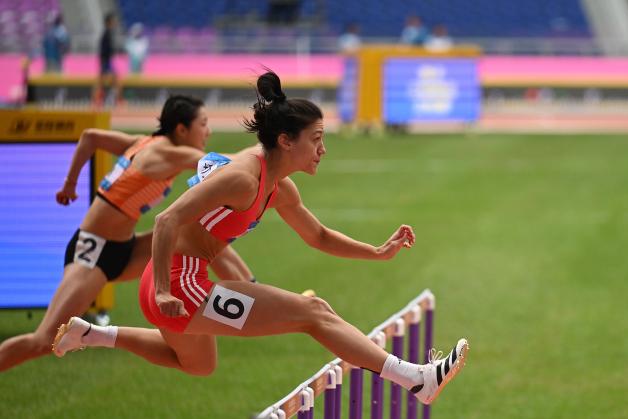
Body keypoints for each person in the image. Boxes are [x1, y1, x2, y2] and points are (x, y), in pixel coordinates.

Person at [53, 71, 468, 405]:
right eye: (317, 140)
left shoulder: (280, 186)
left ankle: (92, 334)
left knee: (198, 365)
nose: (323, 150)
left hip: (176, 289)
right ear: (286, 141)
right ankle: (416, 379)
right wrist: (163, 289)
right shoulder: (242, 178)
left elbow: (318, 235)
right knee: (313, 311)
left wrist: (377, 252)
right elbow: (166, 220)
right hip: (177, 283)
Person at [0, 95, 255, 372]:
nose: (209, 131)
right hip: (93, 253)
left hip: (125, 249)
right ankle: (256, 298)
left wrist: (70, 184)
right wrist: (267, 145)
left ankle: (255, 294)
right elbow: (227, 162)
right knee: (45, 340)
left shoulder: (142, 143)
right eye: (203, 124)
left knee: (198, 241)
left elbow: (90, 137)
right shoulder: (167, 152)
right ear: (181, 129)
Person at [94, 12, 120, 106]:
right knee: (107, 81)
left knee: (109, 81)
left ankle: (100, 100)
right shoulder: (106, 33)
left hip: (106, 61)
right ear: (109, 22)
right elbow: (105, 49)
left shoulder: (107, 33)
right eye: (113, 20)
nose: (115, 22)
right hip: (106, 61)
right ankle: (116, 100)